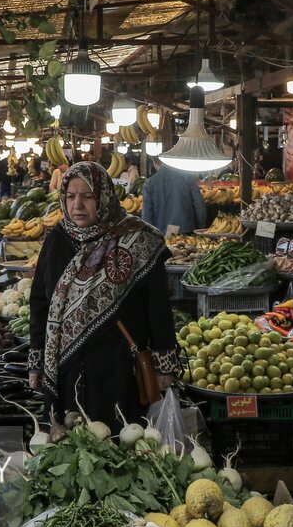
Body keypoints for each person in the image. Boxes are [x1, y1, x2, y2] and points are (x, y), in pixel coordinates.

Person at [27, 161, 180, 431]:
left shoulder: (138, 239)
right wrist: (36, 363)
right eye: (71, 197)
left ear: (105, 197)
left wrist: (162, 364)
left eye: (88, 197)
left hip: (118, 366)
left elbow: (158, 306)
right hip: (66, 366)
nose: (78, 205)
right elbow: (40, 303)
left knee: (121, 439)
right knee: (70, 446)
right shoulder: (56, 241)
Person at [142, 162, 207, 234]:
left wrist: (151, 236)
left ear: (154, 162)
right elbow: (199, 205)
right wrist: (201, 229)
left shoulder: (149, 184)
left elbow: (146, 217)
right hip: (187, 232)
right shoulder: (188, 177)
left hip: (163, 235)